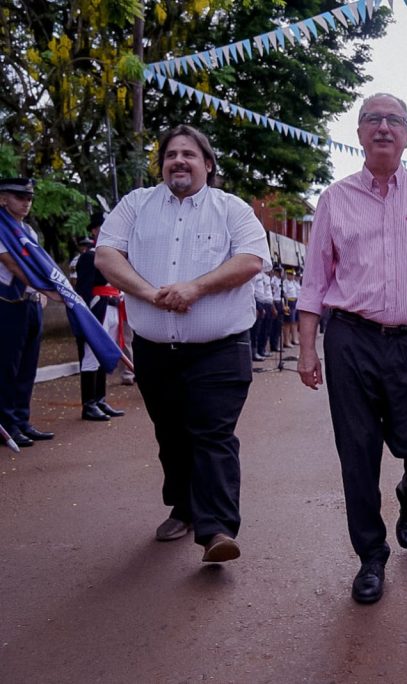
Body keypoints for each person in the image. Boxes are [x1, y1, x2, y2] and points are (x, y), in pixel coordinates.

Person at [296, 93, 407, 604]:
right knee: (357, 453)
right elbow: (314, 282)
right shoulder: (335, 199)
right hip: (351, 340)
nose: (384, 127)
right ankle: (371, 556)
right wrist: (308, 349)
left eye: (394, 120)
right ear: (360, 134)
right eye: (373, 119)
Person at [96, 124, 270, 563]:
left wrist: (195, 288)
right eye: (171, 154)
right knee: (171, 435)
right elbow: (107, 255)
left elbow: (251, 259)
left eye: (189, 154)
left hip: (220, 348)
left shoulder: (232, 210)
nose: (179, 161)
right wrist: (148, 293)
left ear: (207, 164)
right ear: (162, 166)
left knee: (212, 434)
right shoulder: (135, 206)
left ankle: (216, 531)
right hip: (156, 352)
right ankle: (184, 506)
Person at [0, 178, 58, 448]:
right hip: (8, 303)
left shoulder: (28, 232)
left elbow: (39, 264)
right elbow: (14, 266)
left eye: (29, 197)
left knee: (27, 367)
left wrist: (43, 294)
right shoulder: (2, 229)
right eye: (19, 197)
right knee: (8, 367)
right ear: (3, 199)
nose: (26, 202)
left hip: (31, 302)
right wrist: (49, 291)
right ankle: (8, 425)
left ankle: (22, 420)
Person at [74, 212, 126, 421]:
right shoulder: (89, 256)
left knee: (103, 354)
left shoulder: (116, 254)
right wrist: (85, 319)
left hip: (112, 306)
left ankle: (100, 400)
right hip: (97, 308)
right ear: (95, 230)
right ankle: (89, 404)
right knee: (90, 357)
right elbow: (84, 291)